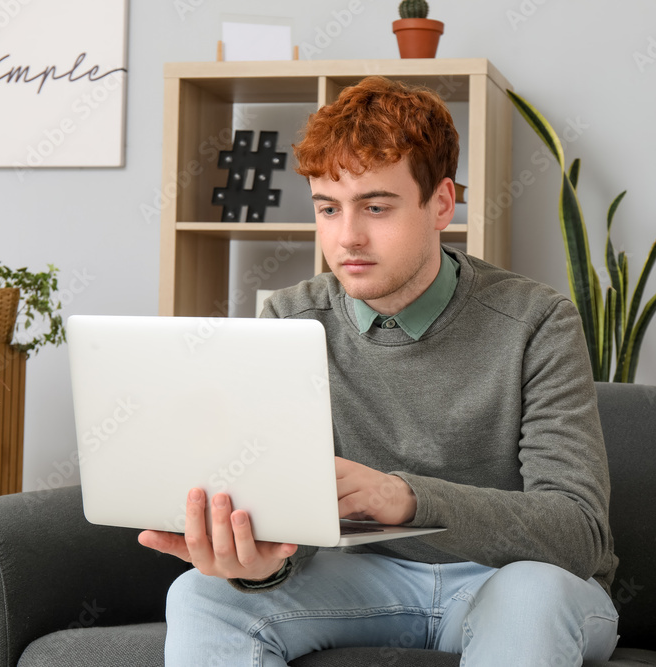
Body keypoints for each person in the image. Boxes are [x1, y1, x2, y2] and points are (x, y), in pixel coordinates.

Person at [139, 75, 619, 666]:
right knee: (201, 594)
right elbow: (293, 518)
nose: (348, 238)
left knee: (530, 594)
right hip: (364, 583)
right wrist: (264, 564)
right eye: (328, 209)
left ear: (441, 203)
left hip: (511, 581)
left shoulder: (537, 320)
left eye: (375, 206)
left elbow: (578, 530)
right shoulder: (289, 317)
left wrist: (407, 498)